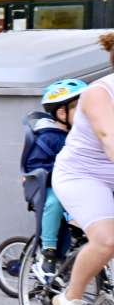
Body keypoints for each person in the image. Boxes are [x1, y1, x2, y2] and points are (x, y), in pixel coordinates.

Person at [49, 33, 114, 305]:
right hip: (83, 175)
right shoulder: (99, 93)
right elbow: (108, 138)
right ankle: (70, 297)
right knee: (107, 240)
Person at [23, 79, 87, 280]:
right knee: (55, 202)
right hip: (49, 187)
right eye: (81, 110)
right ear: (62, 113)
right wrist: (62, 171)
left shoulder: (80, 135)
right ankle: (49, 251)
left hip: (73, 186)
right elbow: (35, 165)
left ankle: (76, 252)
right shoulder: (50, 137)